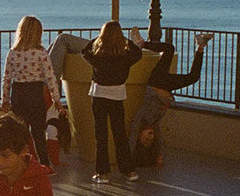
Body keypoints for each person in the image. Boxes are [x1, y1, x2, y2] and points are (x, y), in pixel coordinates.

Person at [127, 30, 214, 168]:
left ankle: (141, 43)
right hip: (166, 87)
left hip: (156, 82)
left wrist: (128, 162)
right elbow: (159, 142)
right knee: (191, 75)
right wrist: (158, 157)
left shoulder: (141, 119)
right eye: (151, 139)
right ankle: (201, 45)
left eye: (146, 139)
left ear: (140, 136)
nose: (150, 137)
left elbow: (132, 137)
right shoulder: (155, 124)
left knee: (169, 49)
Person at [80, 22, 144, 183]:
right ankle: (129, 171)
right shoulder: (125, 56)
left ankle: (102, 173)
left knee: (101, 135)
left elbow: (84, 50)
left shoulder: (97, 56)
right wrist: (126, 41)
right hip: (117, 97)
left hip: (99, 96)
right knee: (120, 134)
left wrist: (100, 38)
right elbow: (138, 53)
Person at [0, 16, 63, 166]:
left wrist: (5, 99)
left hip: (18, 93)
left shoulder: (13, 52)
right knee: (38, 132)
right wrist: (56, 100)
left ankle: (19, 164)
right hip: (35, 93)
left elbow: (7, 78)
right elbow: (50, 78)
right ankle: (45, 164)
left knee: (20, 133)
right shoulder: (41, 53)